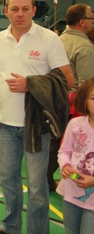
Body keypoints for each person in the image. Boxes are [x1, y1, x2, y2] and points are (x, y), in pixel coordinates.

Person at [0, 0, 74, 234]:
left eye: (25, 9)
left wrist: (31, 83)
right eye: (14, 9)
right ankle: (11, 226)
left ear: (34, 10)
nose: (19, 14)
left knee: (37, 187)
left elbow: (68, 79)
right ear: (6, 12)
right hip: (4, 125)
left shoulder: (48, 39)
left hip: (36, 126)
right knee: (8, 182)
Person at [48, 4, 94, 192]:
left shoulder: (55, 40)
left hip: (52, 100)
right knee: (77, 147)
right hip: (74, 104)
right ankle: (75, 182)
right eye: (91, 19)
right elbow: (88, 86)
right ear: (83, 22)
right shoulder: (84, 47)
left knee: (54, 146)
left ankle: (47, 181)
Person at [57, 77, 94, 234]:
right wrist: (65, 165)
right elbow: (64, 151)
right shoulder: (75, 124)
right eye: (93, 98)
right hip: (71, 193)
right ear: (84, 100)